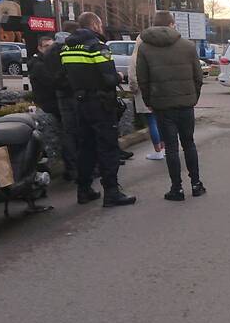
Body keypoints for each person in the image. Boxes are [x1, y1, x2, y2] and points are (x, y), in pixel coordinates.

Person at [60, 12, 136, 207]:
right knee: (108, 147)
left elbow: (65, 76)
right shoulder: (96, 47)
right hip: (100, 103)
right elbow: (108, 78)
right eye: (100, 24)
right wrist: (119, 76)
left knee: (85, 148)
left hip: (80, 103)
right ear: (94, 24)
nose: (101, 28)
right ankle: (112, 192)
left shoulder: (66, 48)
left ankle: (83, 190)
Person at [137, 11, 205, 201]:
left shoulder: (144, 48)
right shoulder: (188, 46)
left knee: (171, 148)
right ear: (172, 24)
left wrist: (150, 102)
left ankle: (177, 188)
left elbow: (143, 79)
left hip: (162, 106)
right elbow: (198, 77)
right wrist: (193, 97)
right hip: (185, 105)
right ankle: (196, 184)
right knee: (189, 143)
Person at [30, 35, 78, 178]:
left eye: (52, 46)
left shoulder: (48, 61)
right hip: (50, 103)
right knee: (69, 133)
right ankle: (72, 167)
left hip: (55, 101)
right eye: (46, 46)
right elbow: (53, 83)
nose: (50, 49)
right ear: (39, 48)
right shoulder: (39, 64)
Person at [127, 36, 165, 161]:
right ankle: (164, 148)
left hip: (143, 93)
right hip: (159, 93)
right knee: (161, 121)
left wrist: (133, 89)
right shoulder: (157, 55)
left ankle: (157, 150)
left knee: (152, 122)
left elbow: (133, 78)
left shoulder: (135, 57)